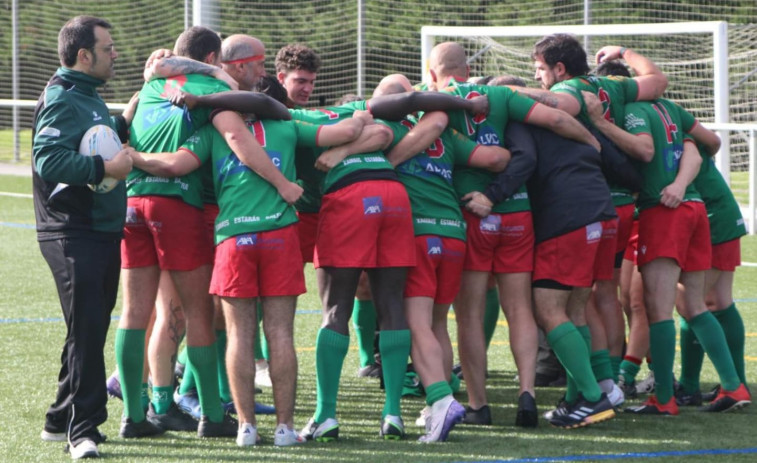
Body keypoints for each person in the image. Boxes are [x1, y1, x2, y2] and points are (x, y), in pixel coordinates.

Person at [117, 25, 296, 440]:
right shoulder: (211, 90)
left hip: (132, 203)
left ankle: (137, 413)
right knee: (199, 312)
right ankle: (212, 415)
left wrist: (133, 156)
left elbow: (124, 127)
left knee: (139, 313)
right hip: (178, 203)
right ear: (215, 59)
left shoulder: (148, 88)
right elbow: (235, 136)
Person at [425, 41, 600, 427]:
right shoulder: (499, 94)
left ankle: (478, 404)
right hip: (518, 214)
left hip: (473, 212)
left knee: (468, 314)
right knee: (519, 308)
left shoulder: (434, 102)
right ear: (467, 69)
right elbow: (556, 120)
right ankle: (527, 397)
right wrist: (591, 139)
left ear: (431, 71)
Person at [584, 92, 750, 415]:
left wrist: (599, 122)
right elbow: (702, 147)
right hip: (695, 207)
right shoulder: (669, 108)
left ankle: (663, 397)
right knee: (693, 304)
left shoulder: (631, 112)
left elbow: (648, 150)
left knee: (659, 309)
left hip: (667, 209)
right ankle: (732, 385)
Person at [378, 74, 511, 441]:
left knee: (416, 322)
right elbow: (497, 158)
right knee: (437, 322)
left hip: (418, 234)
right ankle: (442, 396)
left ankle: (441, 400)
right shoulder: (446, 135)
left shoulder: (385, 129)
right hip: (454, 234)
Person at [33, 15, 133, 459]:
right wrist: (104, 170)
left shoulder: (91, 97)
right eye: (108, 48)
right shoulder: (62, 96)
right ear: (83, 55)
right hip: (72, 230)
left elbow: (103, 139)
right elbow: (47, 160)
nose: (116, 54)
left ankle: (59, 419)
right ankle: (83, 430)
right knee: (89, 328)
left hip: (101, 230)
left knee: (85, 327)